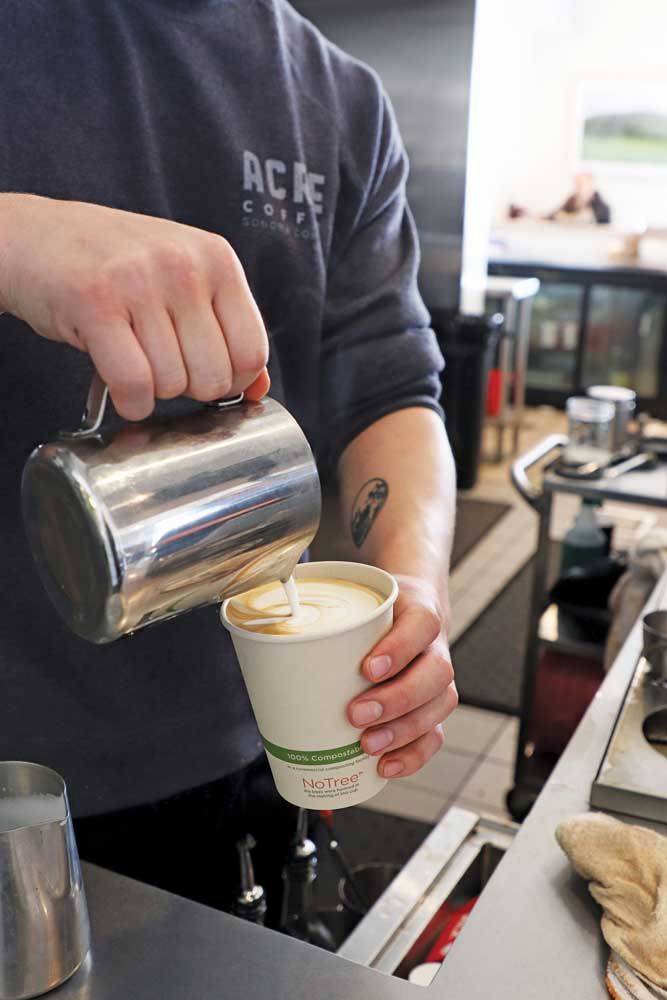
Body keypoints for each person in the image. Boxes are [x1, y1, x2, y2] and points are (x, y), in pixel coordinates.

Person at [0, 0, 457, 923]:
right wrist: (13, 237)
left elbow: (390, 390)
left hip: (250, 743)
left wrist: (413, 589)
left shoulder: (338, 96)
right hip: (23, 772)